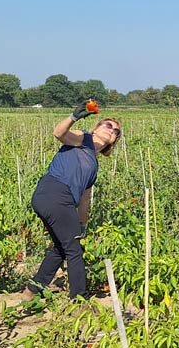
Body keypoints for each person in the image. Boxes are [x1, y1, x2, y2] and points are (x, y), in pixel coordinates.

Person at [24, 99, 122, 298]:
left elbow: (85, 199)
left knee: (62, 246)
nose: (111, 130)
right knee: (74, 250)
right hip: (54, 192)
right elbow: (58, 133)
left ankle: (32, 290)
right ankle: (80, 299)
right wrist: (73, 117)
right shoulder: (82, 138)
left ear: (114, 140)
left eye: (116, 131)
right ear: (96, 128)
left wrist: (82, 226)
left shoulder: (94, 165)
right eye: (108, 125)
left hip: (56, 199)